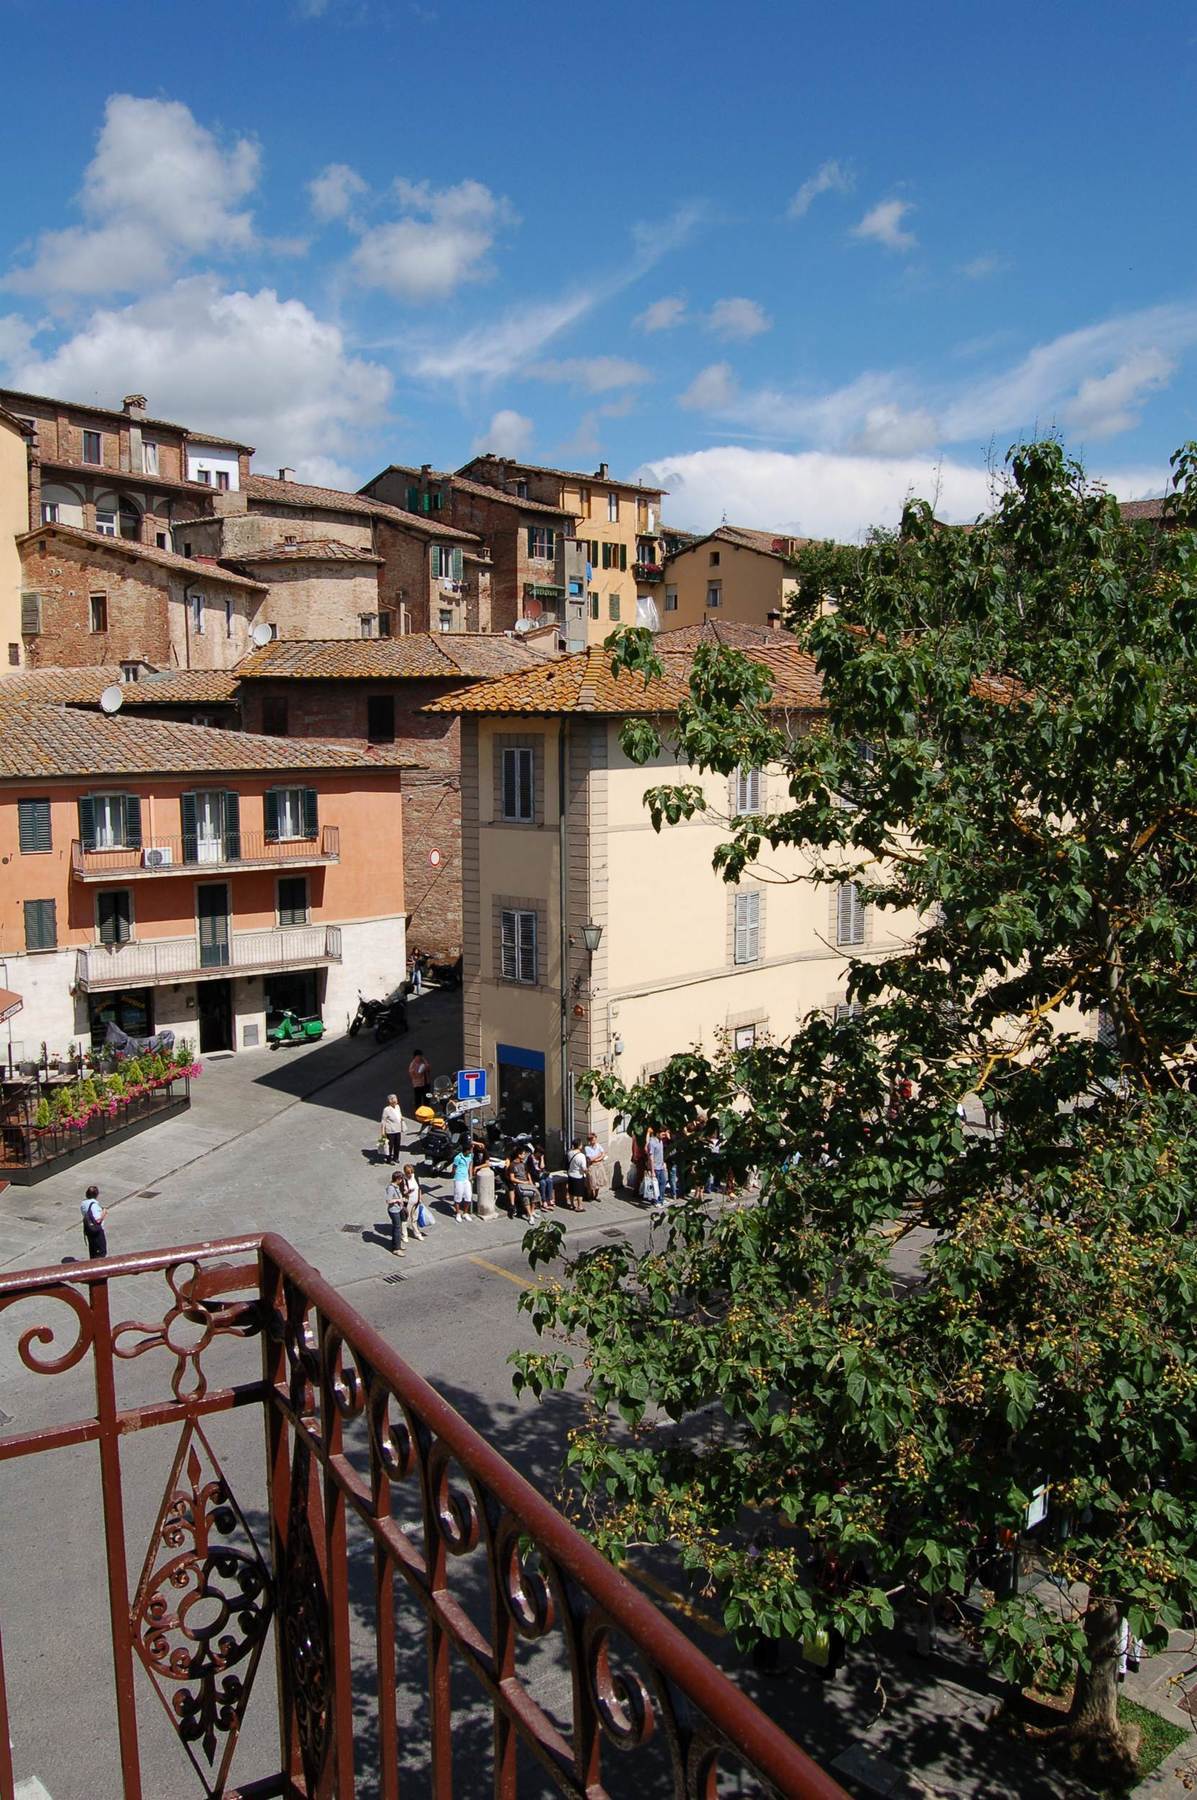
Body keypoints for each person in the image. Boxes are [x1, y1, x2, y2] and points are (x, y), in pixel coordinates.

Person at [400, 1164, 426, 1240]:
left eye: (411, 1172)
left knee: (415, 1218)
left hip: (416, 1201)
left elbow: (419, 1188)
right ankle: (404, 1235)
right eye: (408, 1173)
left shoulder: (415, 1177)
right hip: (408, 1202)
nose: (410, 1174)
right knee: (405, 1219)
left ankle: (417, 1233)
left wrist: (420, 1198)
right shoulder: (403, 1180)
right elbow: (402, 1193)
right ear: (405, 1172)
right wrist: (408, 1192)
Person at [385, 1172, 408, 1256]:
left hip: (398, 1209)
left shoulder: (396, 1186)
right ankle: (396, 1249)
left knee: (398, 1227)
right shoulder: (391, 1188)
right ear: (398, 1179)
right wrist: (397, 1200)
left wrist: (402, 1199)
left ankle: (396, 1244)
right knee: (397, 1228)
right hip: (394, 1210)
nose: (402, 1181)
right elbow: (388, 1201)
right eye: (401, 1179)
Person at [81, 1184, 107, 1257]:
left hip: (89, 1230)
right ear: (96, 1195)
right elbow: (98, 1220)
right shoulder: (94, 1205)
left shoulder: (83, 1204)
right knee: (101, 1253)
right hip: (97, 1231)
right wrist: (104, 1213)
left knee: (93, 1252)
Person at [528, 1142, 555, 1211]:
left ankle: (550, 1199)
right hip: (535, 1176)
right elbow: (531, 1170)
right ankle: (544, 1201)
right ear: (537, 1152)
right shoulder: (530, 1158)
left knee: (549, 1180)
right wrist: (538, 1174)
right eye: (540, 1154)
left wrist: (542, 1159)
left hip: (541, 1174)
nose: (541, 1155)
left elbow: (542, 1167)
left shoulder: (540, 1158)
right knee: (543, 1183)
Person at [379, 1092, 404, 1164]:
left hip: (397, 1129)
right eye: (393, 1100)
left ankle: (396, 1157)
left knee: (397, 1145)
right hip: (390, 1131)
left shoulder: (398, 1107)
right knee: (390, 1146)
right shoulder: (386, 1110)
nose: (395, 1101)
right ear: (390, 1101)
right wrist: (383, 1133)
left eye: (396, 1099)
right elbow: (383, 1122)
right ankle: (389, 1159)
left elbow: (399, 1115)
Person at [451, 1144, 474, 1223]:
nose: (471, 1151)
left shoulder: (470, 1156)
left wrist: (470, 1175)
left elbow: (470, 1165)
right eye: (470, 1150)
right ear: (466, 1150)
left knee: (468, 1196)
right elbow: (454, 1167)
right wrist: (454, 1175)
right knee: (458, 1196)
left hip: (466, 1178)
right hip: (459, 1179)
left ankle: (465, 1213)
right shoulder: (458, 1158)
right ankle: (458, 1213)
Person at [584, 1131, 607, 1201]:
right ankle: (589, 1195)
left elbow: (603, 1154)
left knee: (599, 1181)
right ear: (589, 1140)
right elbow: (590, 1159)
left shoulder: (598, 1145)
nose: (594, 1141)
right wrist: (598, 1155)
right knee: (591, 1182)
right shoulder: (587, 1148)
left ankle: (596, 1196)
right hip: (592, 1166)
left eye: (595, 1139)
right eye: (592, 1139)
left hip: (599, 1165)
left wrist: (597, 1159)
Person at [566, 1138, 587, 1212]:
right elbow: (584, 1168)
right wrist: (587, 1172)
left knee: (571, 1191)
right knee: (579, 1192)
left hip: (570, 1174)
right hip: (579, 1175)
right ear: (579, 1146)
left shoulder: (569, 1153)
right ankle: (579, 1206)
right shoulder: (581, 1156)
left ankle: (572, 1205)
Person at [408, 1048, 431, 1115]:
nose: (420, 1058)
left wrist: (426, 1067)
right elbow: (413, 1076)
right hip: (418, 1085)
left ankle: (427, 1110)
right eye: (419, 1056)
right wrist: (420, 1072)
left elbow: (428, 1068)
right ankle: (419, 1112)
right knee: (418, 1099)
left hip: (426, 1082)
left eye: (421, 1056)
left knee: (427, 1097)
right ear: (415, 1057)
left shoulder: (423, 1060)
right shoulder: (412, 1065)